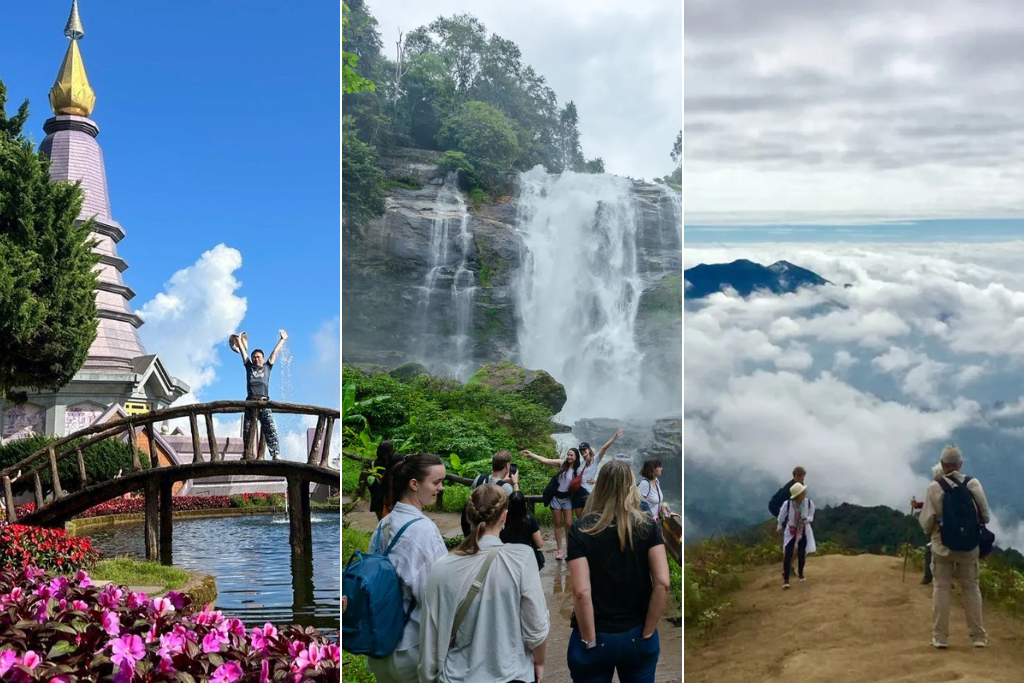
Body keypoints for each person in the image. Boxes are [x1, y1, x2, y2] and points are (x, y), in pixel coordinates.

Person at [419, 484, 549, 683]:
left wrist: (428, 677)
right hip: (512, 674)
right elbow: (536, 628)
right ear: (504, 516)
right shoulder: (522, 558)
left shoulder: (442, 567)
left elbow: (431, 636)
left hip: (458, 676)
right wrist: (539, 662)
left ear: (468, 518)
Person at [566, 459, 671, 683]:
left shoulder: (580, 529)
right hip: (637, 632)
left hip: (596, 633)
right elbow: (663, 583)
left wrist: (589, 641)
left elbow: (581, 592)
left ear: (600, 486)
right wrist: (648, 632)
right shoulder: (647, 525)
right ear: (631, 487)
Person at [365, 454, 449, 683]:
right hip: (411, 648)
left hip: (380, 645)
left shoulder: (383, 525)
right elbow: (438, 595)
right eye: (436, 482)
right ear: (414, 484)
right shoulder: (424, 530)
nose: (440, 488)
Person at [919, 445, 990, 649]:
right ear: (960, 464)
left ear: (942, 464)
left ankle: (940, 637)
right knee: (971, 587)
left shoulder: (935, 487)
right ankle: (978, 636)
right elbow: (985, 516)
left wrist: (935, 530)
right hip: (969, 546)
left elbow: (927, 522)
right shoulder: (973, 484)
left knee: (941, 587)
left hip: (942, 546)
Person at [232, 330, 287, 460]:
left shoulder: (267, 367)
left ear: (263, 358)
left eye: (258, 357)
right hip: (250, 403)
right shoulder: (249, 367)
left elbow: (275, 353)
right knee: (247, 430)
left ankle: (275, 454)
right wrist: (239, 340)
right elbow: (243, 353)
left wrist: (283, 340)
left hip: (264, 402)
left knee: (270, 428)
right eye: (254, 357)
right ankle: (248, 454)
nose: (256, 359)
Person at [522, 447, 580, 561]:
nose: (569, 457)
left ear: (576, 456)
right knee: (557, 523)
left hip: (568, 498)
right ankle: (559, 550)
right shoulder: (561, 463)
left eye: (572, 455)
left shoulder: (578, 469)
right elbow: (545, 460)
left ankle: (569, 549)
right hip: (556, 498)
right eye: (568, 454)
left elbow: (589, 470)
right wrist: (531, 454)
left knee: (569, 524)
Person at [460, 451, 517, 536]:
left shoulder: (479, 479)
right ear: (507, 466)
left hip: (475, 529)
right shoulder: (506, 487)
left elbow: (485, 492)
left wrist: (502, 482)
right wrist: (515, 483)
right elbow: (516, 508)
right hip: (492, 531)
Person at [574, 428, 625, 519]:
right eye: (581, 450)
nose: (582, 451)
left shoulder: (595, 460)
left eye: (584, 449)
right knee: (579, 518)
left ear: (589, 449)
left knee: (588, 517)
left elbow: (604, 448)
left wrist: (615, 436)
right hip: (578, 493)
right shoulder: (580, 464)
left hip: (588, 493)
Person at [777, 481, 816, 589]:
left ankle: (801, 573)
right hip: (791, 530)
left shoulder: (809, 503)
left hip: (803, 529)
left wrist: (806, 519)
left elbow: (811, 517)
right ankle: (786, 579)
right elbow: (781, 515)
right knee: (788, 553)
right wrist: (779, 525)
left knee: (801, 553)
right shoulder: (788, 504)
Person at [911, 463, 944, 585]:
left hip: (936, 526)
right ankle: (947, 578)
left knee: (930, 550)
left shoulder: (934, 488)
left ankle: (928, 577)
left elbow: (929, 506)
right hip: (952, 526)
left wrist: (917, 506)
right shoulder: (954, 488)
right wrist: (918, 505)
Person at [501, 490, 545, 571]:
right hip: (526, 558)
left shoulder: (503, 520)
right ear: (524, 504)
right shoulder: (530, 520)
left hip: (507, 559)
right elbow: (539, 544)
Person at [369, 441, 396, 521]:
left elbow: (370, 483)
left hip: (377, 496)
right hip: (389, 497)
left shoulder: (373, 463)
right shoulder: (393, 463)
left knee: (382, 522)